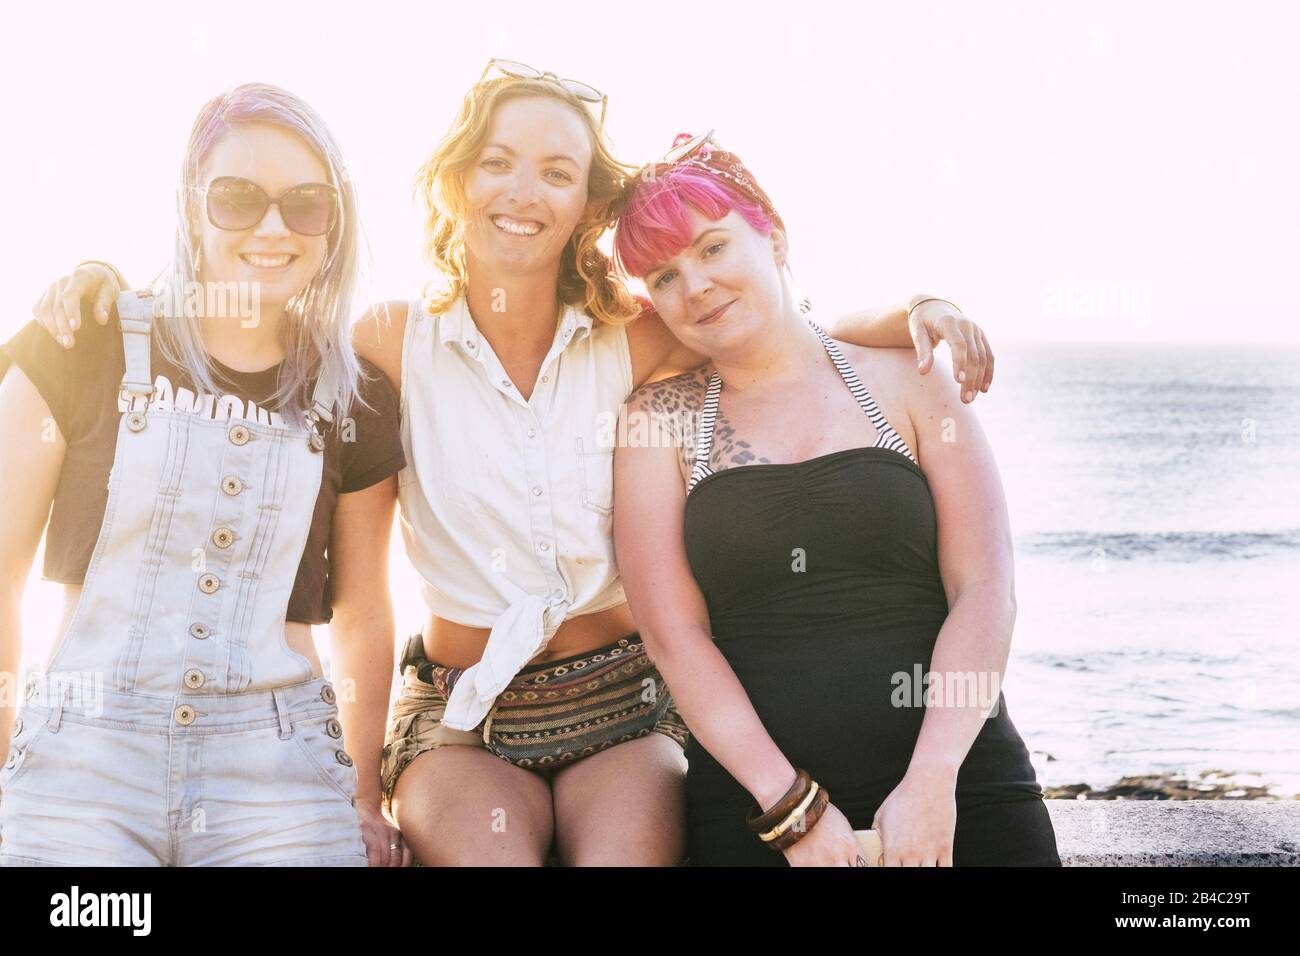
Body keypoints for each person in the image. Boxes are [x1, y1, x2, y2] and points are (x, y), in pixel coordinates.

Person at [28, 61, 996, 866]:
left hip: (619, 701)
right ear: (456, 182)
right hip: (458, 717)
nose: (523, 192)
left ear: (585, 204)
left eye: (555, 172)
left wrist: (911, 307)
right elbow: (355, 575)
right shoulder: (384, 342)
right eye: (495, 163)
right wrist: (104, 289)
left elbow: (780, 329)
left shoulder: (634, 339)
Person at [610, 133, 1060, 866]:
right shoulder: (656, 420)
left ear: (775, 238)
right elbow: (673, 637)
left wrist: (932, 782)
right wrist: (790, 809)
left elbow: (984, 586)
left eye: (714, 248)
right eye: (663, 276)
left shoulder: (906, 376)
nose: (693, 287)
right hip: (756, 803)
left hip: (958, 779)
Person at [0, 83, 409, 866]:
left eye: (305, 204)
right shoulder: (77, 341)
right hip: (83, 765)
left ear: (335, 222)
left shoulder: (353, 394)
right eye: (236, 197)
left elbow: (361, 612)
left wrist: (361, 796)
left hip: (278, 774)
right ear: (192, 206)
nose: (271, 226)